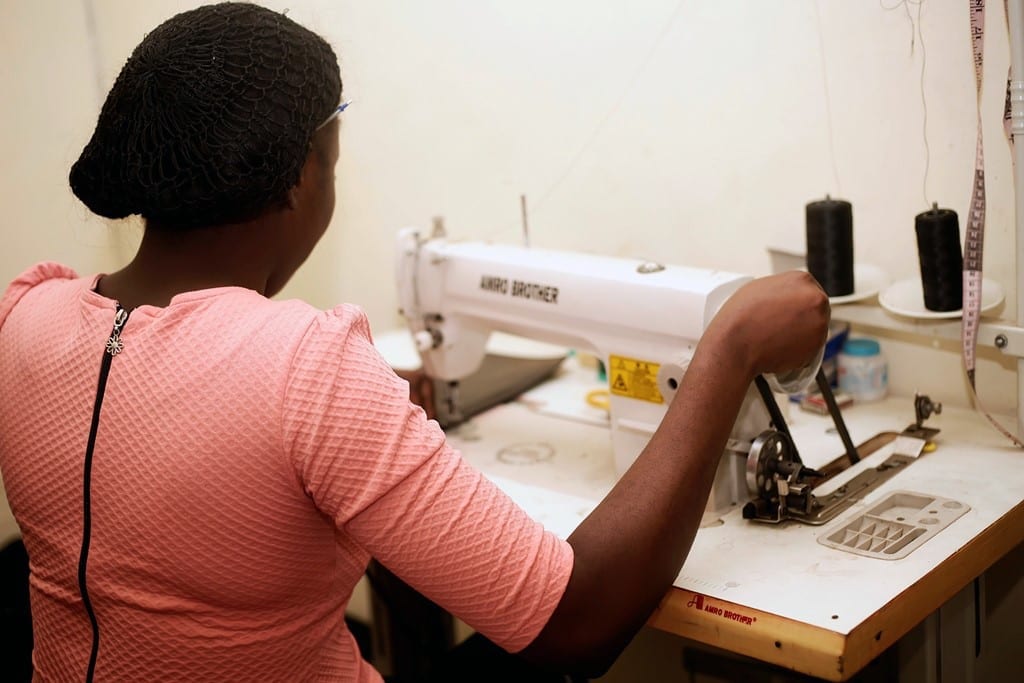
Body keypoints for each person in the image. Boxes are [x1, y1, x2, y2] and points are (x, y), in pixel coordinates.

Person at [0, 3, 830, 682]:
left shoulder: (25, 315)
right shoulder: (306, 367)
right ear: (302, 175)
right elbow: (577, 623)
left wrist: (351, 427)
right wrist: (728, 348)